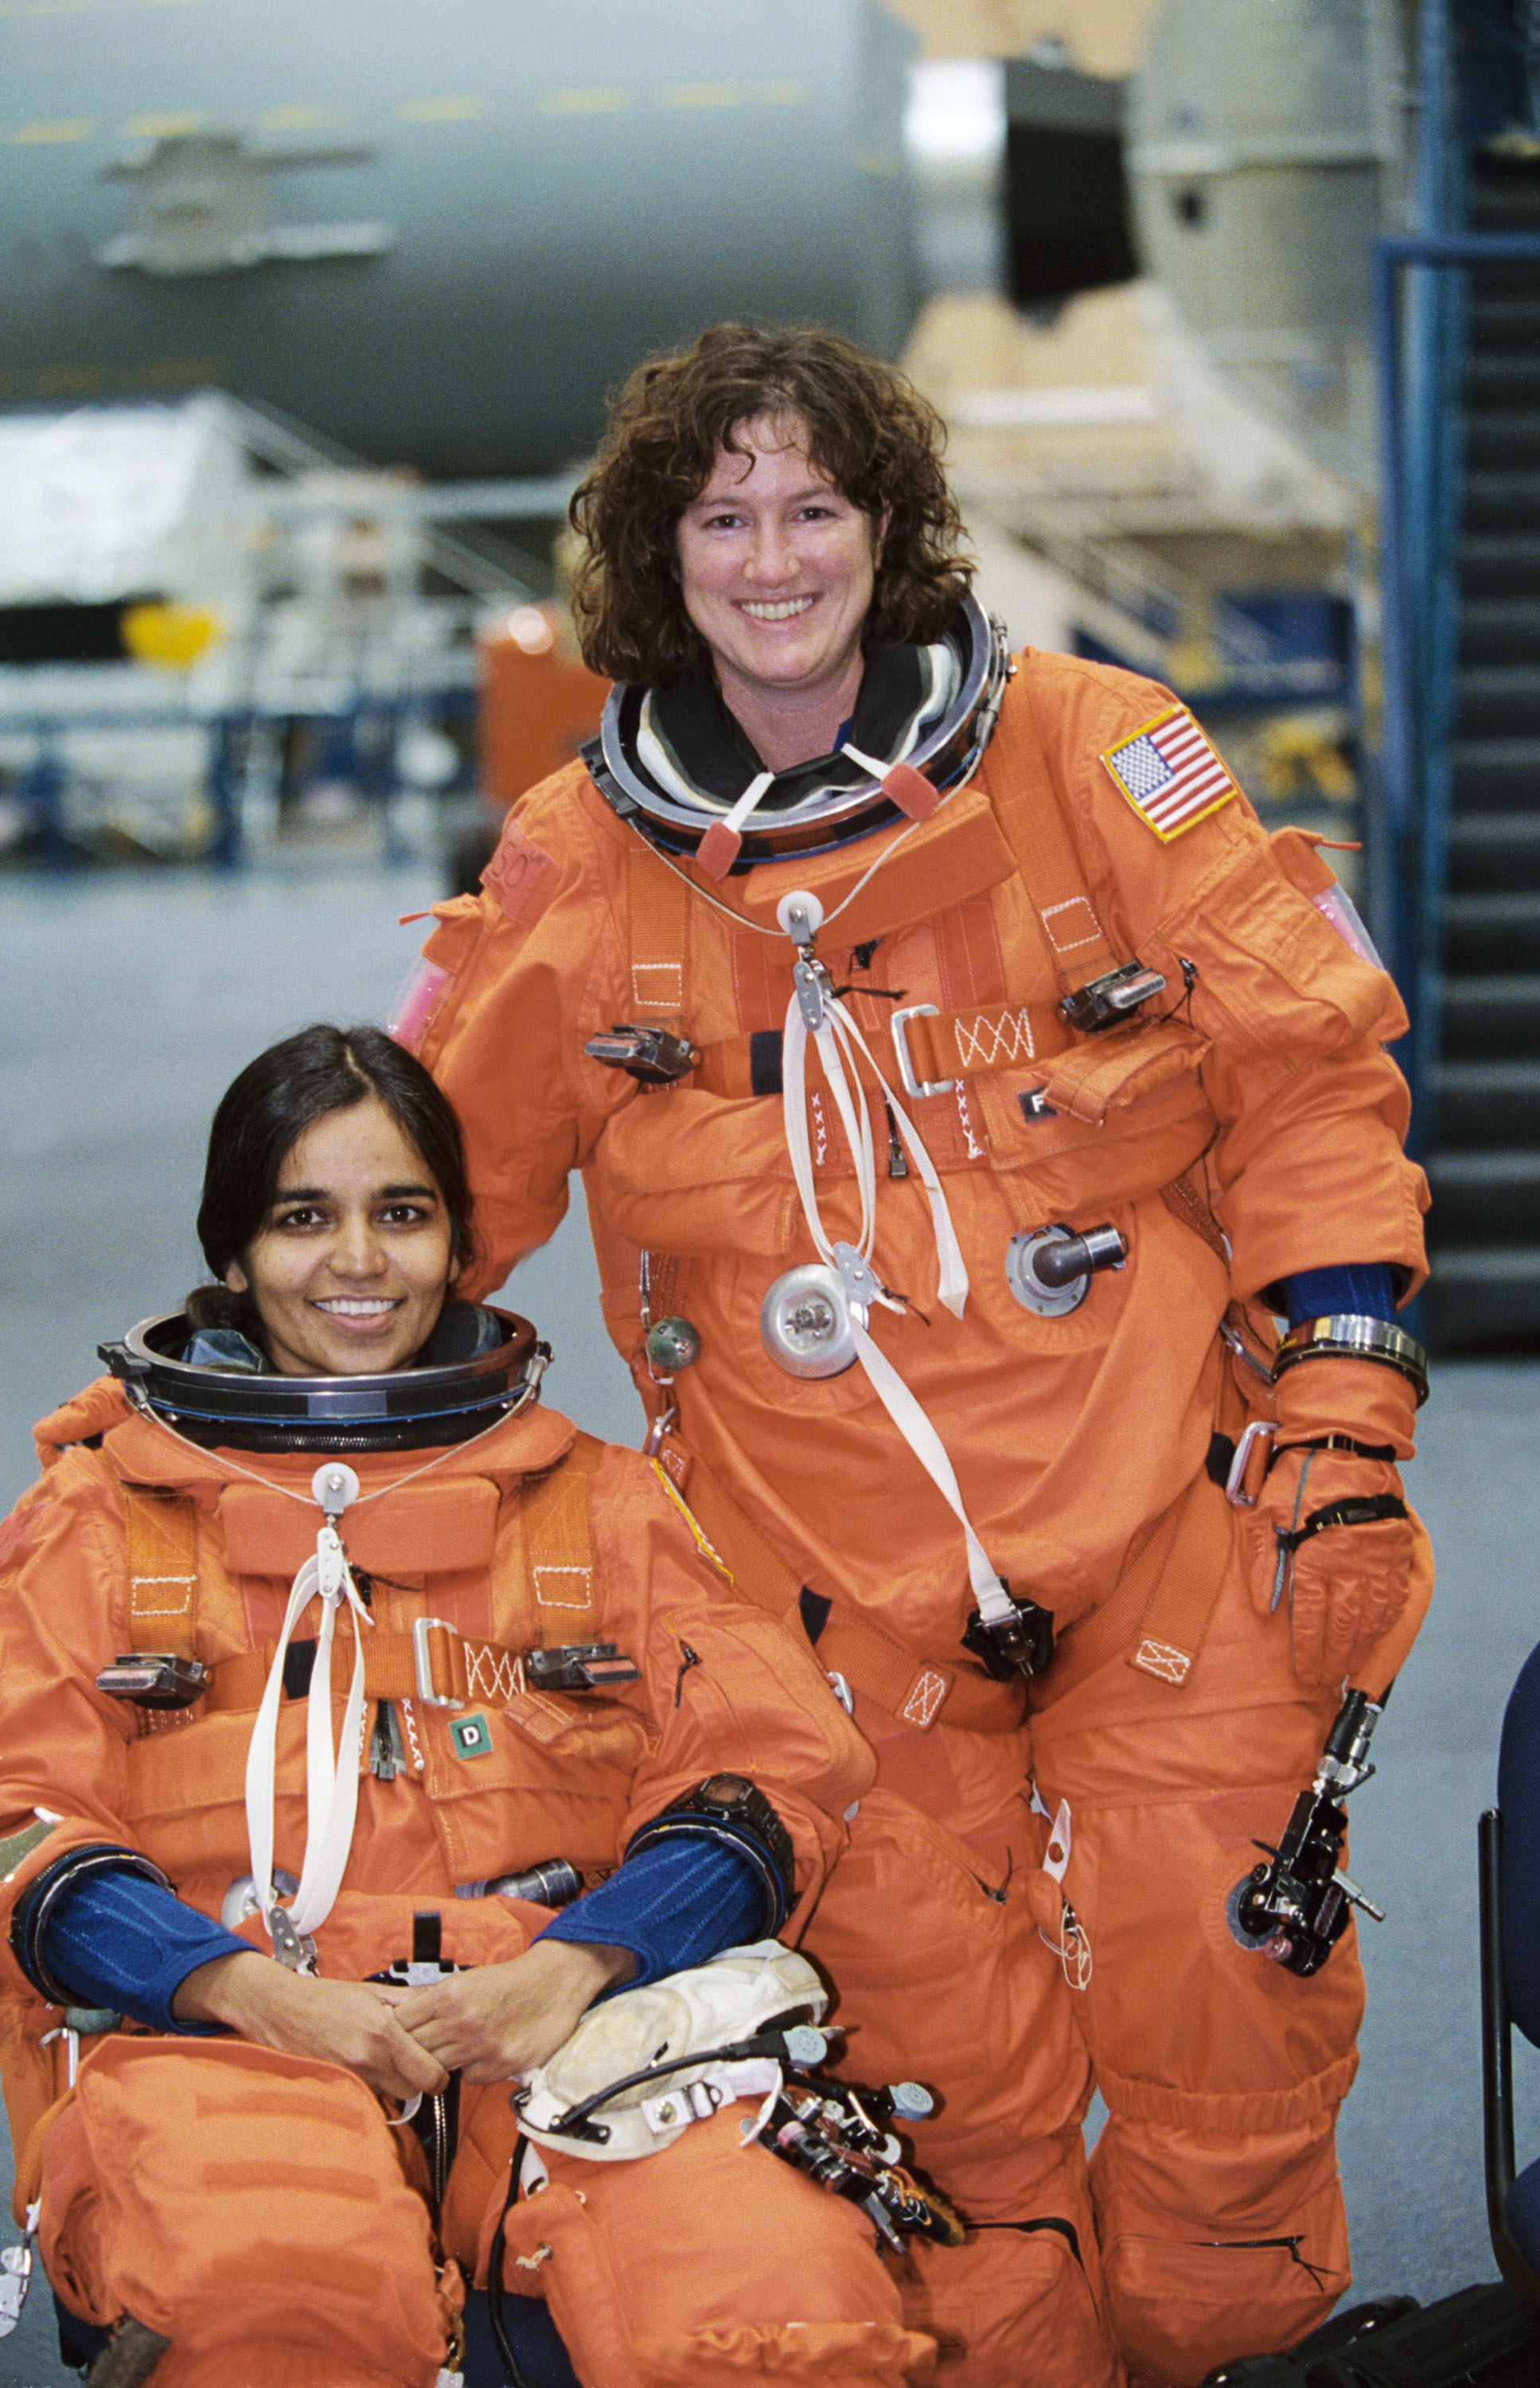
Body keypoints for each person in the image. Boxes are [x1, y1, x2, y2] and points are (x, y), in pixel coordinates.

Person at [400, 322, 1435, 2388]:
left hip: (1166, 1550)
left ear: (887, 528)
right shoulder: (577, 870)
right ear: (654, 552)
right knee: (939, 2119)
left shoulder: (1097, 754)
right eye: (720, 517)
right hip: (824, 1624)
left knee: (1226, 2025)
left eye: (813, 506)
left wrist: (1340, 1394)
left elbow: (1312, 1079)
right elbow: (414, 1212)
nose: (770, 558)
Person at [0, 1024, 934, 2388]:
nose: (361, 1262)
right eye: (302, 1217)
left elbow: (767, 1776)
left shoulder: (596, 1501)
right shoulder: (98, 1519)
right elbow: (18, 1822)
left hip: (575, 2025)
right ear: (233, 1251)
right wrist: (248, 1990)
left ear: (457, 1239)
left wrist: (574, 1967)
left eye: (403, 1213)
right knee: (277, 2304)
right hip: (228, 2041)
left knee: (775, 2320)